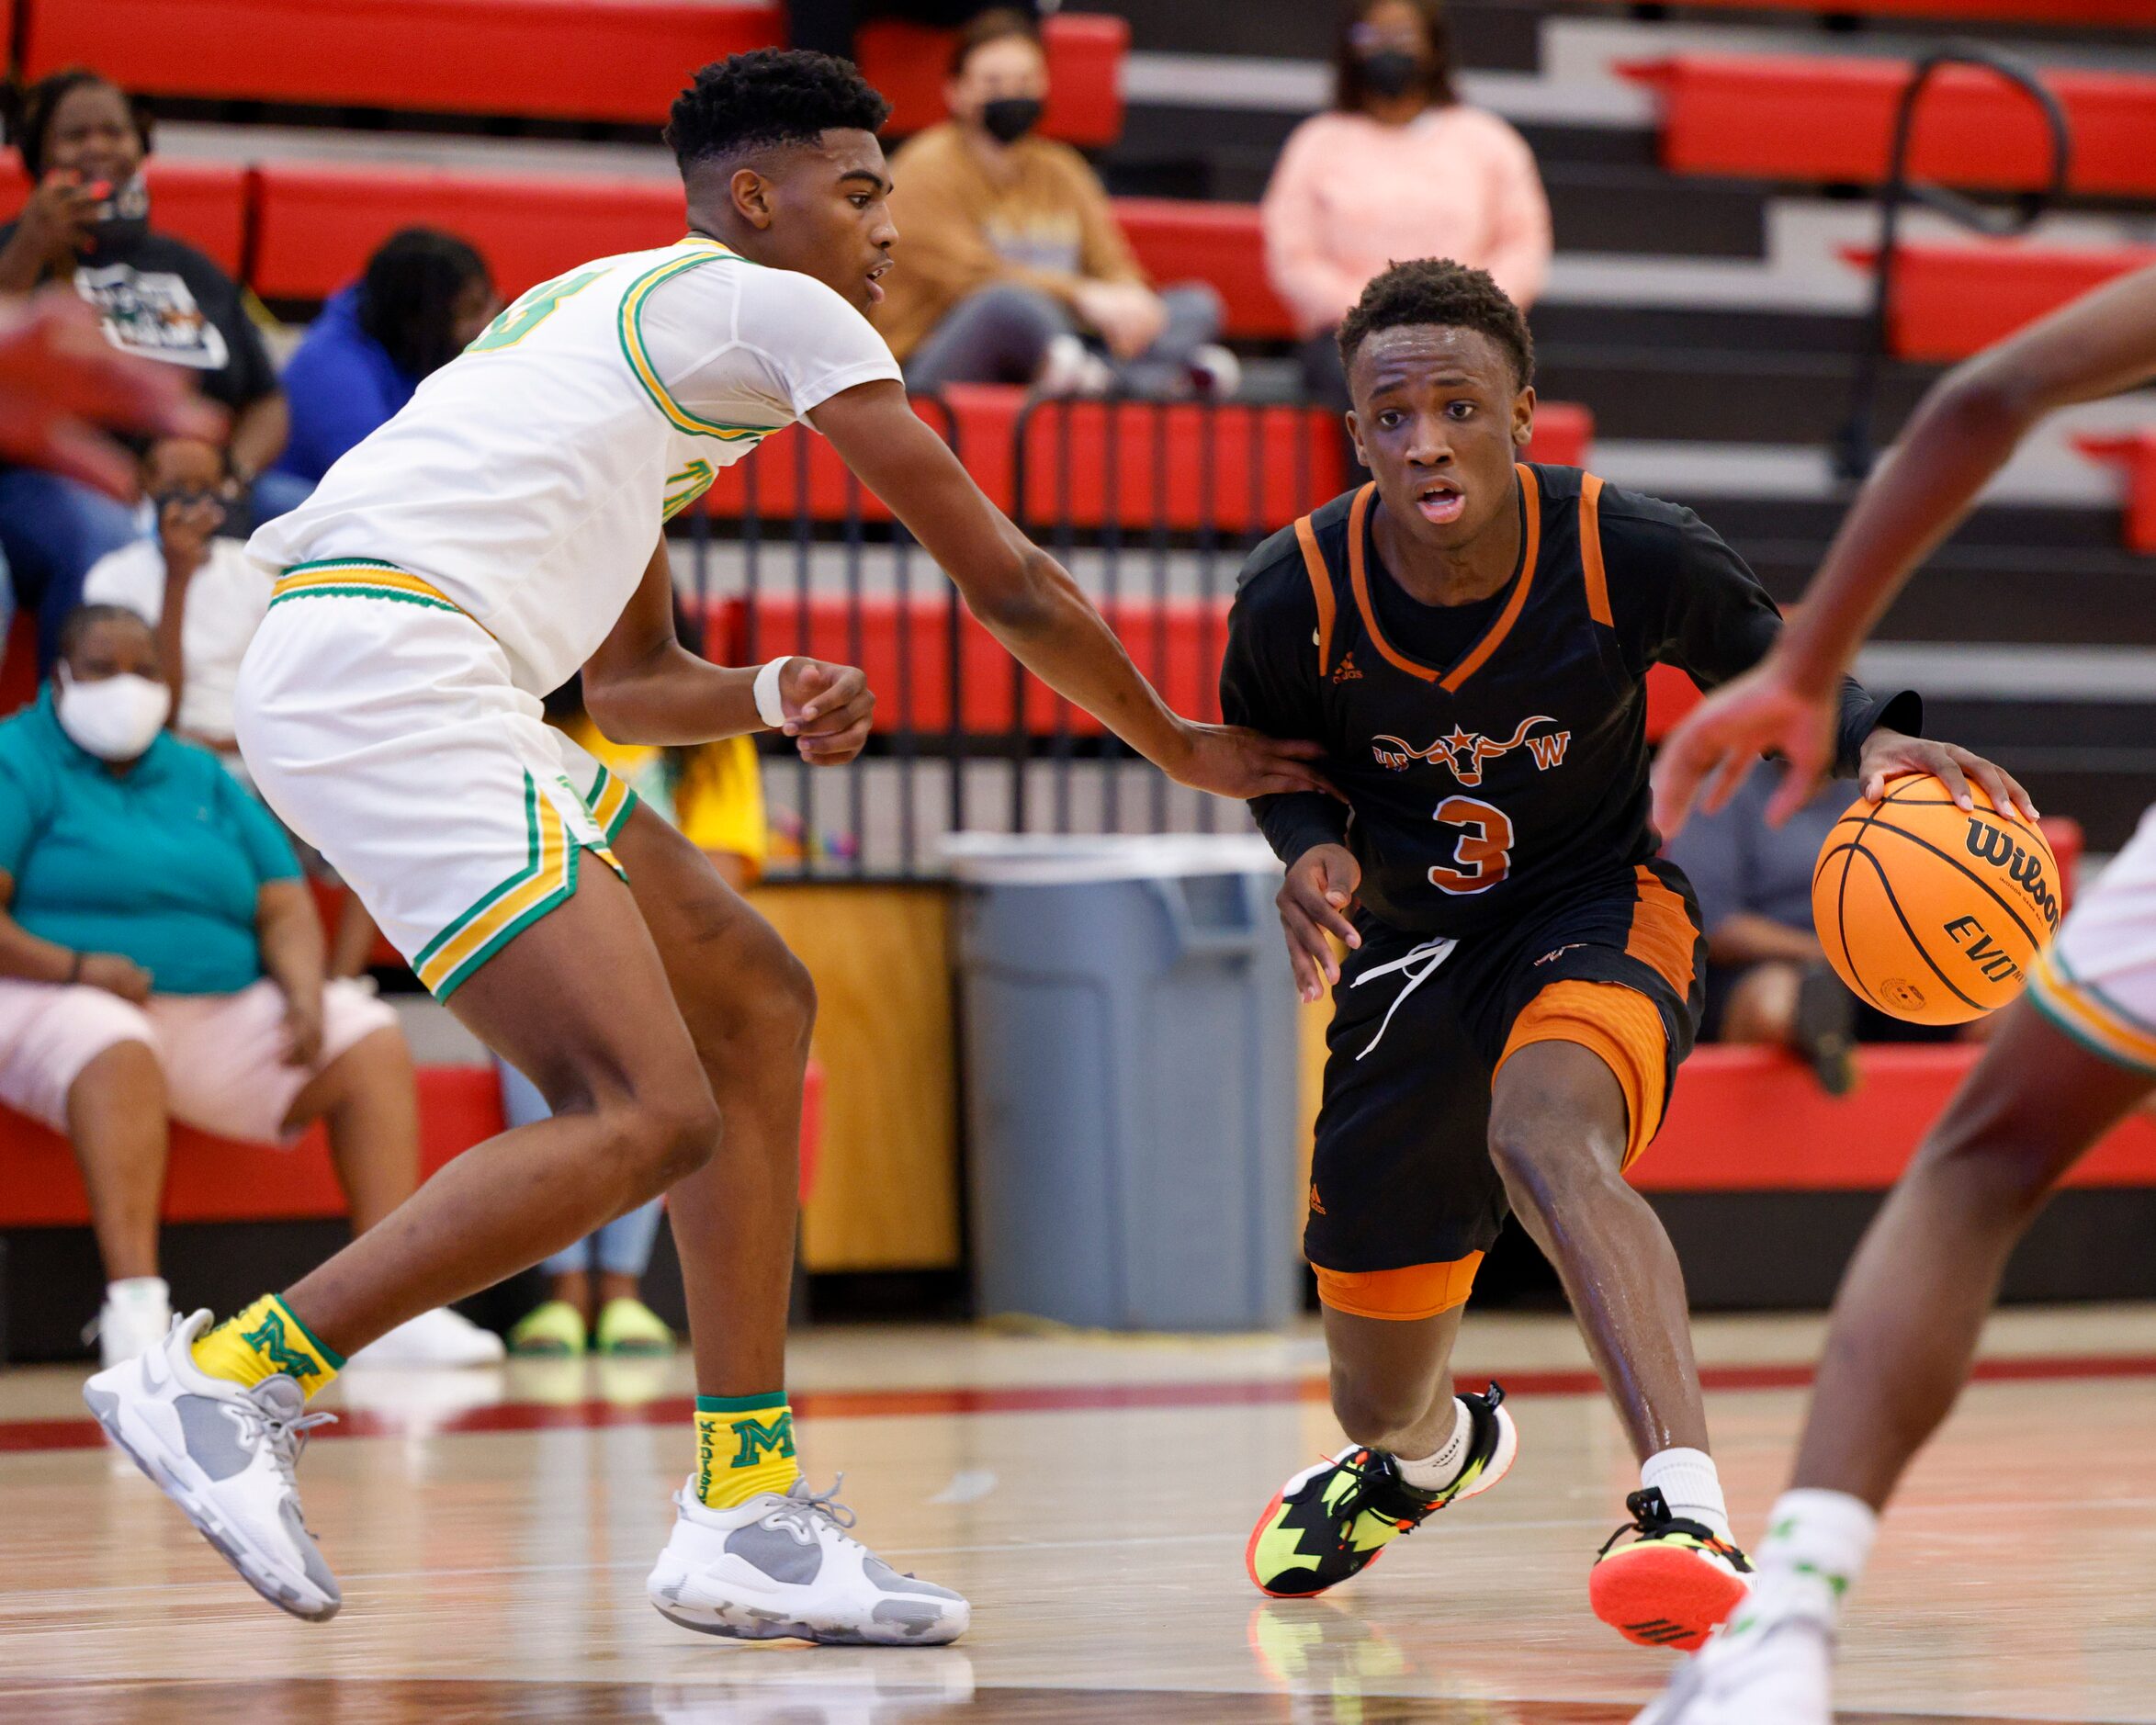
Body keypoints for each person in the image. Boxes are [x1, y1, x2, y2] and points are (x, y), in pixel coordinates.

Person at [84, 49, 1320, 1641]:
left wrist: (760, 691)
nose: (886, 227)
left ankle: (746, 1508)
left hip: (411, 667)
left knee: (752, 997)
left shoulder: (623, 327)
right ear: (759, 196)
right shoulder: (777, 309)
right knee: (644, 1109)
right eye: (861, 190)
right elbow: (1001, 574)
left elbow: (632, 686)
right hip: (393, 664)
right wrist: (1184, 747)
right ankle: (227, 1375)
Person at [1221, 258, 2018, 1650]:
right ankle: (1426, 1459)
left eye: (1454, 406)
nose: (1422, 440)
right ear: (1354, 432)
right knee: (1372, 1399)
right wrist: (1303, 843)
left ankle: (1683, 1502)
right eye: (1388, 415)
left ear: (1520, 415)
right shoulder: (1292, 590)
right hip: (1405, 957)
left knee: (1544, 1135)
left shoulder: (1621, 546)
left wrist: (1874, 735)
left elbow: (1770, 665)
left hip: (1591, 907)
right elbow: (1275, 761)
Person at [1635, 271, 2147, 1725]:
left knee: (1978, 1164)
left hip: (1877, 948)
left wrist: (1806, 670)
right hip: (1793, 956)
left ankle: (1784, 1623)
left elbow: (1983, 394)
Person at [0, 604, 501, 1367]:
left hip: (213, 1008)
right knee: (113, 1038)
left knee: (362, 1035)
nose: (125, 687)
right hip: (50, 997)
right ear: (59, 677)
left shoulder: (199, 771)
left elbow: (283, 899)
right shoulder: (18, 756)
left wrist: (304, 992)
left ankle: (389, 1309)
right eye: (102, 669)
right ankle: (136, 1311)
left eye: (145, 670)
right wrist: (77, 969)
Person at [504, 670, 771, 1359]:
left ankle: (622, 1291)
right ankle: (563, 1294)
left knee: (664, 1068)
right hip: (545, 945)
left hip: (661, 950)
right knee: (529, 1051)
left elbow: (718, 875)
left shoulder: (710, 732)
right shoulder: (524, 720)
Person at [0, 69, 293, 671]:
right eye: (75, 135)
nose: (99, 147)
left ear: (141, 148)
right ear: (37, 157)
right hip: (59, 481)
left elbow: (267, 399)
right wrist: (30, 248)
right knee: (107, 539)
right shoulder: (12, 249)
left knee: (316, 517)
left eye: (115, 131)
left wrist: (234, 472)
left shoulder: (189, 265)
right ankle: (80, 733)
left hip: (204, 477)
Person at [878, 9, 1237, 398]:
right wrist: (1082, 296)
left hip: (1069, 342)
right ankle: (1149, 379)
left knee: (1198, 305)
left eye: (1024, 81)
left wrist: (1130, 301)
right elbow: (972, 279)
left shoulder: (1062, 168)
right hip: (937, 355)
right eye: (993, 82)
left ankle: (1099, 377)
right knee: (1007, 304)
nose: (1010, 94)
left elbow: (1112, 265)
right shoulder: (923, 168)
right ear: (956, 91)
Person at [1261, 0, 1550, 421]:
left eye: (1403, 35)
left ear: (1433, 47)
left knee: (1483, 391)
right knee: (1383, 393)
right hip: (1353, 338)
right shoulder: (1317, 142)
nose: (1388, 48)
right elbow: (1294, 259)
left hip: (1468, 330)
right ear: (1349, 47)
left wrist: (1465, 313)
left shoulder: (1488, 140)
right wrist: (1378, 317)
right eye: (1372, 35)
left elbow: (1523, 247)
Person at [1662, 761, 1959, 1095]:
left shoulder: (1876, 792)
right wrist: (1829, 953)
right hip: (1757, 968)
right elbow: (1712, 923)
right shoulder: (1723, 790)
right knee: (1775, 1001)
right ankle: (1824, 1039)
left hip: (1876, 969)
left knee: (1992, 1004)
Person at [273, 229, 500, 490]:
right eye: (471, 312)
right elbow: (393, 488)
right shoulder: (335, 376)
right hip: (315, 505)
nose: (489, 323)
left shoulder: (405, 343)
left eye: (491, 304)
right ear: (418, 321)